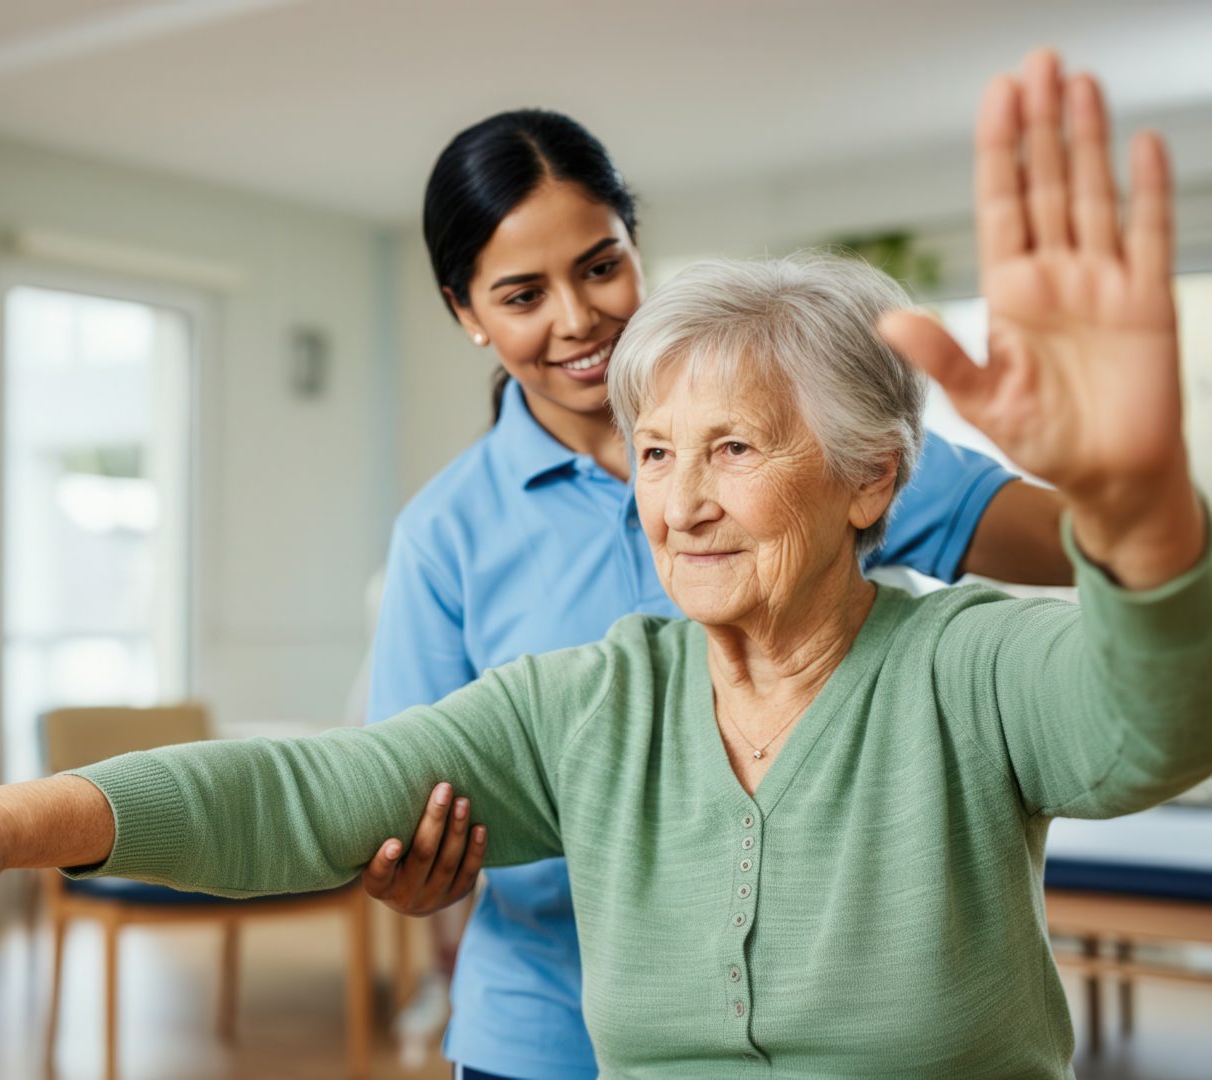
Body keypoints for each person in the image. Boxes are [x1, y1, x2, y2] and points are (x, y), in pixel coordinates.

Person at [0, 50, 1211, 1077]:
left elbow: (1138, 702)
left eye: (731, 450)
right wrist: (0, 817)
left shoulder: (960, 658)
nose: (672, 498)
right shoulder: (578, 687)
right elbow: (314, 791)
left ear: (873, 485)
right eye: (658, 453)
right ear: (465, 311)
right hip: (531, 1011)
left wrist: (1138, 499)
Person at [354, 84, 1071, 1080]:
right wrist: (413, 868)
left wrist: (1126, 490)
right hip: (549, 1029)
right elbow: (407, 791)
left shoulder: (817, 440)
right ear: (463, 312)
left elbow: (1081, 548)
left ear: (635, 245)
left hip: (819, 1019)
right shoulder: (445, 534)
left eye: (601, 266)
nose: (578, 320)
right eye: (522, 296)